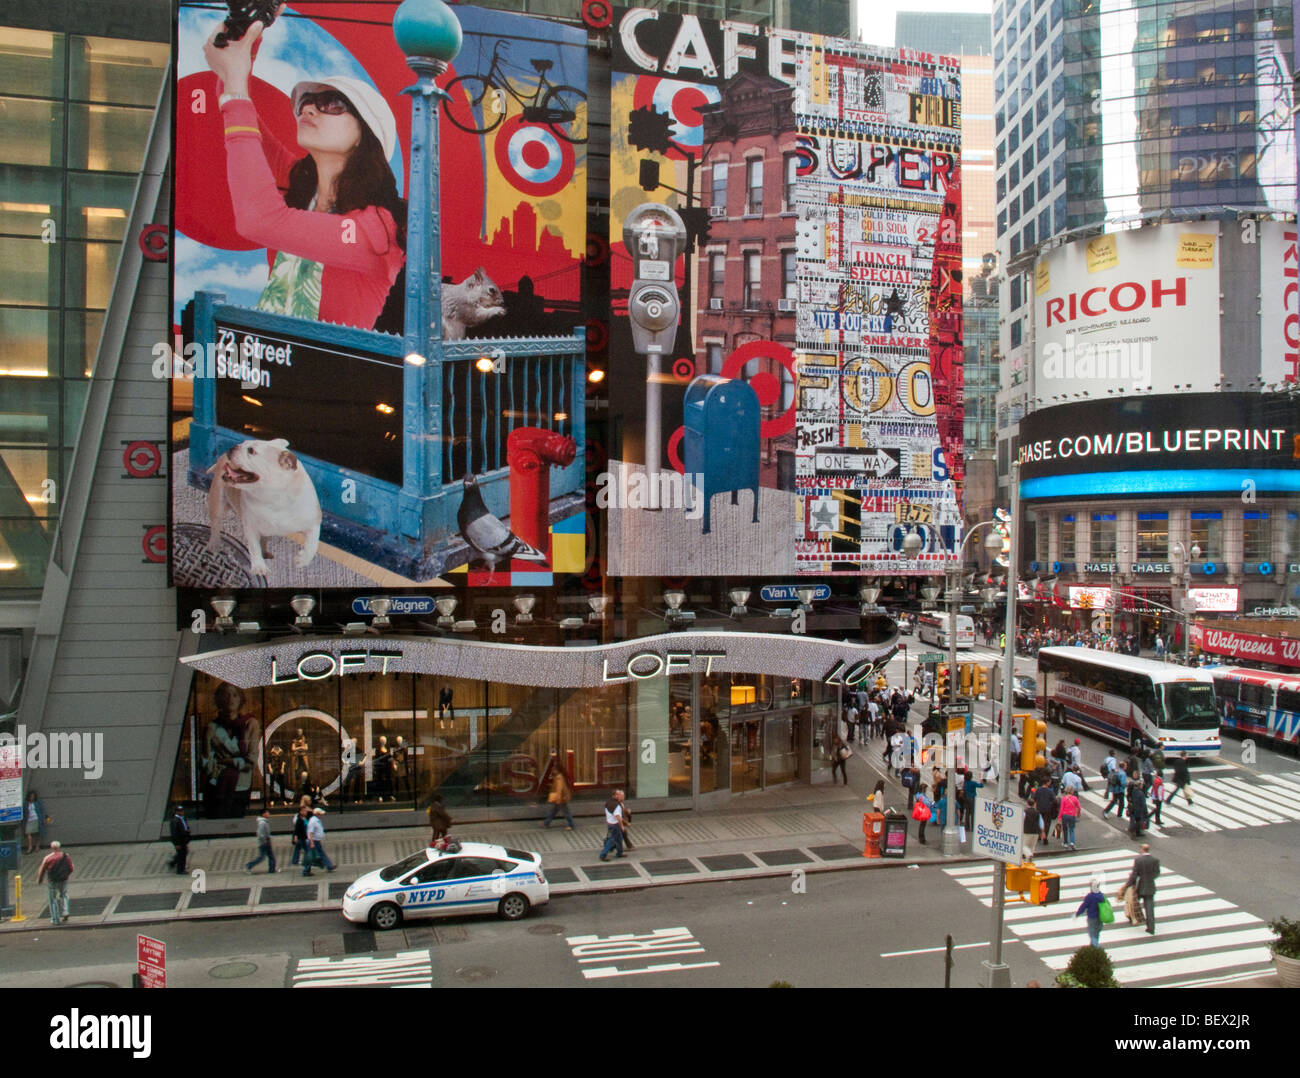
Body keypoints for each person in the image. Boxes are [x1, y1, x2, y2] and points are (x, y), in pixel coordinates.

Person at [203, 16, 406, 331]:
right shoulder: (300, 183)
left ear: (365, 135)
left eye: (332, 103)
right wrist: (250, 32)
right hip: (267, 363)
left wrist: (235, 78)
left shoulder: (378, 228)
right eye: (307, 103)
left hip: (329, 375)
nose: (309, 109)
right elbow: (237, 113)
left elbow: (258, 219)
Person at [1125, 843, 1161, 934]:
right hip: (1150, 886)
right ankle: (1151, 927)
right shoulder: (1155, 860)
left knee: (1133, 901)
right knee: (1149, 907)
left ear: (1142, 850)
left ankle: (1132, 917)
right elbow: (1157, 873)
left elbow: (1134, 875)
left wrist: (1128, 885)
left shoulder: (1138, 860)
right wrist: (1150, 878)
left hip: (1141, 886)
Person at [36, 841, 73, 925]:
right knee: (64, 894)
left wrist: (40, 880)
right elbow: (71, 868)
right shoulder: (66, 856)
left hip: (52, 881)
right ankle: (65, 911)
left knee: (53, 899)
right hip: (64, 879)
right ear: (59, 847)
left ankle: (55, 919)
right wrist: (66, 875)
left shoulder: (48, 858)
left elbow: (42, 870)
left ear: (51, 848)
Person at [302, 808, 335, 876]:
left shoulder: (317, 820)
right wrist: (311, 842)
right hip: (313, 841)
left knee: (319, 854)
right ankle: (306, 870)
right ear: (317, 814)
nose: (321, 815)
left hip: (316, 841)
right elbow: (310, 832)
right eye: (320, 814)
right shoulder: (313, 821)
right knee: (310, 856)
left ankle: (329, 866)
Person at [1075, 877, 1107, 947]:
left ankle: (1096, 946)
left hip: (1092, 918)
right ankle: (1093, 946)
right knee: (1096, 932)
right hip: (1100, 917)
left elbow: (1083, 906)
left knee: (1092, 933)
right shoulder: (1101, 896)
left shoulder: (1089, 897)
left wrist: (1077, 913)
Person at [245, 807, 277, 874]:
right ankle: (249, 865)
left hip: (266, 842)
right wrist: (265, 841)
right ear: (263, 814)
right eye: (267, 813)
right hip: (264, 843)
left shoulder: (264, 822)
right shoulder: (262, 823)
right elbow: (260, 833)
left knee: (271, 856)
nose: (269, 814)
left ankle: (272, 869)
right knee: (262, 857)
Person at [598, 790, 626, 861]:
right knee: (612, 840)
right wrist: (622, 826)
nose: (622, 797)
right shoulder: (617, 806)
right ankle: (603, 854)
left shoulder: (608, 802)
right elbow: (618, 817)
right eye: (620, 795)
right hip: (615, 825)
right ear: (616, 796)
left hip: (610, 823)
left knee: (619, 838)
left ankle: (620, 852)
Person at [167, 804, 190, 874]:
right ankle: (180, 869)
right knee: (182, 854)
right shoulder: (175, 820)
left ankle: (173, 863)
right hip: (179, 840)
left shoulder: (182, 818)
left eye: (182, 810)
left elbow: (185, 826)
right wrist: (176, 843)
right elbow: (174, 833)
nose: (182, 812)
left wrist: (187, 830)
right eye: (180, 811)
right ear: (176, 812)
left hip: (184, 839)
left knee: (183, 852)